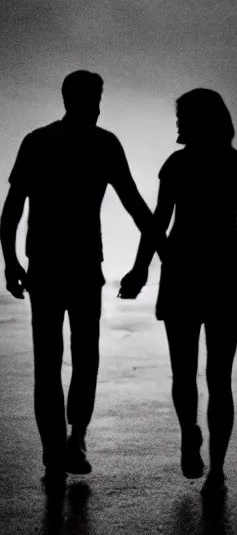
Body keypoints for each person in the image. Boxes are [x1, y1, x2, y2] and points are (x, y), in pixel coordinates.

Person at [119, 88, 237, 497]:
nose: (177, 125)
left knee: (184, 372)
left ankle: (189, 432)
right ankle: (217, 472)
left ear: (197, 120)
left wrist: (141, 269)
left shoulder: (177, 164)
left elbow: (159, 222)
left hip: (181, 272)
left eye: (181, 118)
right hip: (224, 271)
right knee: (220, 378)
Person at [2, 70, 163, 492]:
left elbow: (12, 209)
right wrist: (157, 259)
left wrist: (10, 261)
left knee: (47, 362)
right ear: (95, 102)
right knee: (85, 355)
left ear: (65, 98)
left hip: (45, 266)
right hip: (84, 265)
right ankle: (76, 437)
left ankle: (53, 453)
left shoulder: (36, 141)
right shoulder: (104, 144)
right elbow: (135, 206)